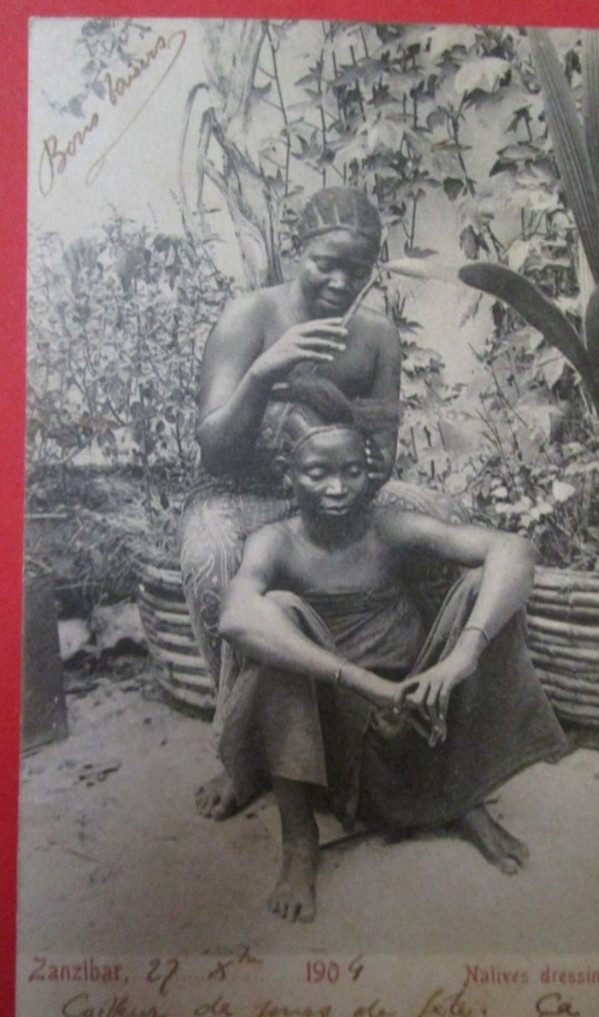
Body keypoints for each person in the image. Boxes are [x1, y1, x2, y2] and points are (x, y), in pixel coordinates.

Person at [215, 379, 569, 923]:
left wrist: (463, 655)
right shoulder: (275, 543)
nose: (337, 488)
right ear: (289, 475)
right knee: (277, 619)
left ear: (370, 471)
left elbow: (514, 548)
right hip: (335, 731)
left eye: (351, 472)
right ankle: (299, 840)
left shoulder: (388, 530)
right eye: (318, 473)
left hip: (417, 711)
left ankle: (461, 796)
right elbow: (237, 617)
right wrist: (359, 682)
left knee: (485, 591)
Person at [180, 186, 467, 817]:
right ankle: (241, 753)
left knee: (444, 518)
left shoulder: (374, 336)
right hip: (244, 493)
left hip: (338, 490)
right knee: (209, 556)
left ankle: (404, 712)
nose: (342, 281)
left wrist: (330, 434)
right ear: (297, 250)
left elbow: (384, 456)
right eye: (326, 263)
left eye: (358, 269)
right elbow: (215, 449)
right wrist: (265, 372)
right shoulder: (249, 317)